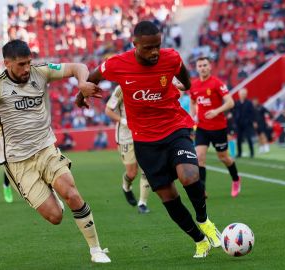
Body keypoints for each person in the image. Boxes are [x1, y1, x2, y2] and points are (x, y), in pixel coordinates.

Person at [0, 40, 111, 263]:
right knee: (55, 216)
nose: (27, 69)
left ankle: (95, 249)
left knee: (73, 193)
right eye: (21, 65)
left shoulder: (41, 72)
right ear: (7, 63)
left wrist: (82, 83)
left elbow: (77, 67)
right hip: (18, 161)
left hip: (46, 148)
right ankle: (51, 194)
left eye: (29, 63)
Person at [77, 21, 220, 258]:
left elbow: (184, 75)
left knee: (190, 175)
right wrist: (80, 95)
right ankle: (199, 239)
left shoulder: (170, 57)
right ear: (135, 45)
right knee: (167, 196)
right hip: (144, 141)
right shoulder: (117, 64)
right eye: (148, 48)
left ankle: (204, 220)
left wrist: (185, 84)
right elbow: (93, 77)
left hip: (175, 128)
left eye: (157, 46)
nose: (155, 52)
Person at [188, 57, 241, 198]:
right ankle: (202, 190)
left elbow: (230, 102)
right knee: (199, 157)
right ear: (197, 68)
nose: (202, 68)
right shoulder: (194, 85)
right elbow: (193, 102)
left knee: (223, 157)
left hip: (218, 127)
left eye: (205, 65)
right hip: (202, 128)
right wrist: (193, 115)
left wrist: (216, 111)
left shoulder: (217, 83)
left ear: (210, 67)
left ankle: (236, 179)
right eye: (200, 66)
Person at [105, 86, 151, 214]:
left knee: (146, 170)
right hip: (126, 136)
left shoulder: (147, 83)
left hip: (144, 133)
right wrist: (123, 120)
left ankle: (142, 203)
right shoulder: (121, 88)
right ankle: (126, 186)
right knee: (132, 173)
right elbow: (108, 110)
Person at [234, 88, 255, 158]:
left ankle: (252, 153)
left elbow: (252, 113)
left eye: (244, 94)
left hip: (247, 123)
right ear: (239, 94)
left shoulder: (249, 103)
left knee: (249, 138)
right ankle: (239, 153)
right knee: (239, 139)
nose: (243, 95)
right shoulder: (236, 103)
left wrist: (250, 121)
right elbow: (234, 112)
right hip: (239, 123)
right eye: (242, 94)